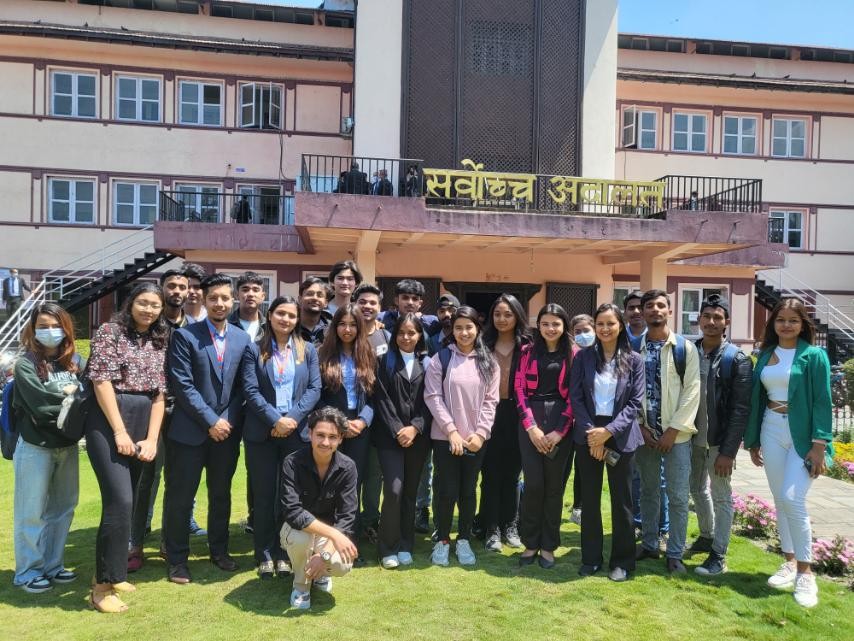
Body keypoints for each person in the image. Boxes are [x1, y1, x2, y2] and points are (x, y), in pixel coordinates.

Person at [744, 298, 834, 608]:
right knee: (780, 499)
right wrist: (753, 440)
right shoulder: (766, 355)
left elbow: (823, 401)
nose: (786, 325)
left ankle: (806, 574)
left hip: (803, 435)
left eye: (793, 320)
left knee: (793, 498)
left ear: (802, 324)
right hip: (771, 428)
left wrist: (819, 445)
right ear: (773, 324)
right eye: (780, 319)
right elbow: (757, 399)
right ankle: (789, 561)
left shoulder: (814, 356)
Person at [164, 273, 252, 585]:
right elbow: (183, 385)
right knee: (180, 496)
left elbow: (245, 386)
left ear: (233, 301)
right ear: (203, 298)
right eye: (213, 297)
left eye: (225, 298)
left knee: (221, 494)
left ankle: (219, 550)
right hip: (189, 432)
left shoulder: (243, 339)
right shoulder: (186, 337)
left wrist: (224, 421)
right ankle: (176, 559)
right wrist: (210, 420)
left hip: (226, 434)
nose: (219, 303)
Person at [85, 283, 168, 612]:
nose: (149, 310)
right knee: (119, 501)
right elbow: (101, 380)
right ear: (131, 302)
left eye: (155, 305)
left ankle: (115, 573)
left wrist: (151, 438)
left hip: (144, 417)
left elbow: (160, 393)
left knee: (130, 501)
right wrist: (119, 431)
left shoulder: (159, 338)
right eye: (144, 303)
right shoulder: (110, 331)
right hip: (109, 419)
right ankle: (102, 588)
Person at [242, 296, 321, 579]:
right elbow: (250, 390)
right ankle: (264, 553)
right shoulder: (254, 350)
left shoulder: (307, 350)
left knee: (289, 497)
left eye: (291, 315)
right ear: (270, 315)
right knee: (264, 496)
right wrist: (275, 419)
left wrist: (291, 420)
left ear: (297, 319)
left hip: (295, 433)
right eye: (280, 314)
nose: (285, 319)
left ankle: (285, 553)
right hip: (262, 434)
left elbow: (314, 389)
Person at [569, 303, 644, 581]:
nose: (604, 328)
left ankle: (622, 561)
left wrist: (608, 432)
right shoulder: (583, 358)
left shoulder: (634, 360)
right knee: (589, 500)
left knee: (622, 501)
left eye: (610, 323)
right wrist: (593, 433)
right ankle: (590, 558)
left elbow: (635, 403)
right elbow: (576, 397)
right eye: (600, 323)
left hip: (621, 436)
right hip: (588, 433)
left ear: (620, 326)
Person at [11, 303, 83, 594]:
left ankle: (53, 565)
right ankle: (28, 571)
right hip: (35, 446)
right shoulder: (26, 363)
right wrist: (71, 400)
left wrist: (75, 401)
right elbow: (39, 405)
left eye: (55, 325)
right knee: (31, 511)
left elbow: (87, 396)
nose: (50, 331)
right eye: (43, 325)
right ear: (33, 328)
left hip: (67, 446)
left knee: (63, 509)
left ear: (65, 327)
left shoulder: (76, 361)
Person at [425, 306, 499, 567]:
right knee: (446, 490)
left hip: (476, 439)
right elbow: (433, 397)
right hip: (446, 438)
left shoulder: (488, 361)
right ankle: (443, 539)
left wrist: (480, 433)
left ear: (477, 329)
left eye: (469, 327)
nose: (464, 332)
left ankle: (464, 538)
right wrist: (452, 431)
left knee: (468, 490)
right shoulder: (441, 358)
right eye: (458, 328)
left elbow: (491, 401)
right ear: (452, 330)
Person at [635, 289, 700, 574]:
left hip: (678, 437)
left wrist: (672, 432)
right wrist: (641, 427)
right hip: (645, 435)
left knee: (676, 495)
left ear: (669, 311)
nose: (655, 310)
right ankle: (649, 544)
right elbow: (628, 392)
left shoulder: (684, 348)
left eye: (661, 305)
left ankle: (674, 552)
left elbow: (692, 393)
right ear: (643, 312)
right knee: (648, 491)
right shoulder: (634, 347)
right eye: (649, 306)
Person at [689, 295, 753, 576]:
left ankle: (719, 554)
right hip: (691, 438)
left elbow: (741, 409)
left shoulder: (736, 359)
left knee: (721, 495)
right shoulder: (690, 351)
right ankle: (706, 535)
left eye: (717, 317)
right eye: (706, 316)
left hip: (718, 442)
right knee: (695, 488)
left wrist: (728, 451)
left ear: (726, 322)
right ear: (699, 320)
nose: (711, 322)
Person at [514, 304, 577, 569]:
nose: (550, 329)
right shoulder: (527, 352)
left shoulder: (574, 354)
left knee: (554, 488)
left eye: (556, 324)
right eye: (545, 324)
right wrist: (531, 427)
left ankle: (549, 546)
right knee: (534, 485)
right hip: (531, 420)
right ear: (538, 326)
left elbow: (577, 393)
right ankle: (530, 542)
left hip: (562, 420)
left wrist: (560, 431)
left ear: (564, 326)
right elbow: (518, 388)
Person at [280, 406, 359, 610]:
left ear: (341, 439)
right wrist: (335, 535)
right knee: (302, 538)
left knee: (341, 564)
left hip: (328, 535)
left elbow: (347, 516)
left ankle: (321, 573)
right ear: (310, 434)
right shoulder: (292, 462)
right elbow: (293, 513)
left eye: (332, 437)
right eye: (320, 435)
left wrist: (324, 555)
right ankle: (301, 586)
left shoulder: (348, 467)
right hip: (296, 530)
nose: (325, 442)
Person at [373, 314, 432, 568]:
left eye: (412, 333)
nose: (406, 337)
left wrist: (416, 427)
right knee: (394, 490)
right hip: (389, 437)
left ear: (420, 335)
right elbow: (381, 399)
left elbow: (433, 400)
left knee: (410, 492)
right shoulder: (384, 361)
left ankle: (406, 544)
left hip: (418, 439)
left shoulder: (429, 364)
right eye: (401, 333)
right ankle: (388, 547)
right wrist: (399, 429)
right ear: (394, 335)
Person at [317, 303, 376, 548]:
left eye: (353, 324)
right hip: (331, 428)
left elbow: (376, 397)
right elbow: (317, 394)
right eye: (342, 324)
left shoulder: (369, 355)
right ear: (335, 326)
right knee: (330, 483)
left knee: (354, 484)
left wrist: (362, 421)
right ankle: (327, 537)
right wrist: (338, 424)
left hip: (360, 428)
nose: (347, 329)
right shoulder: (322, 354)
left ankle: (349, 538)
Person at [477, 294, 530, 552]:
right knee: (489, 473)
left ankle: (511, 525)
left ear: (517, 316)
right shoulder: (482, 345)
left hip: (517, 414)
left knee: (512, 474)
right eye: (497, 314)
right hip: (488, 413)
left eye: (508, 314)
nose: (502, 319)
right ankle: (491, 528)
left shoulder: (528, 345)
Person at [352, 283, 392, 541]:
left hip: (381, 416)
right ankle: (349, 521)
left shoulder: (386, 337)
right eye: (363, 302)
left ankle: (370, 521)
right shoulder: (347, 333)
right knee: (352, 474)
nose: (367, 307)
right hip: (353, 416)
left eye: (373, 303)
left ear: (380, 308)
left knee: (374, 475)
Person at [417, 292, 458, 534]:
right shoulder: (429, 339)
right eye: (442, 311)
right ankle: (422, 509)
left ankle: (444, 517)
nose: (447, 315)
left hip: (454, 413)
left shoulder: (467, 339)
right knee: (424, 465)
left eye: (451, 310)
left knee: (445, 469)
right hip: (428, 408)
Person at [566, 313, 595, 524]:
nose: (583, 335)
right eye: (578, 332)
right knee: (565, 467)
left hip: (592, 424)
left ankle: (580, 506)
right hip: (568, 421)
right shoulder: (570, 354)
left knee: (584, 470)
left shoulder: (600, 355)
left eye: (586, 330)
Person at [228, 271, 266, 342]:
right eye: (245, 290)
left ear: (263, 296)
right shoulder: (225, 324)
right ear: (236, 295)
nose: (250, 294)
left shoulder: (269, 327)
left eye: (255, 290)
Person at [298, 276, 332, 346]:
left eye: (320, 295)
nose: (315, 298)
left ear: (326, 303)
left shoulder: (332, 329)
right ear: (300, 299)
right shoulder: (290, 328)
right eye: (309, 294)